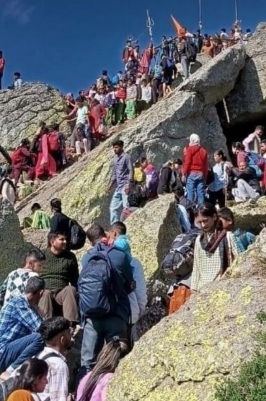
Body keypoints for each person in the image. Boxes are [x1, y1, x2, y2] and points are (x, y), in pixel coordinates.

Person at [79, 223, 133, 375]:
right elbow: (129, 285)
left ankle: (84, 390)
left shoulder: (87, 258)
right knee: (117, 358)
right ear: (106, 235)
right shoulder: (120, 255)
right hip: (116, 313)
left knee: (88, 362)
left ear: (90, 242)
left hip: (91, 316)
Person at [0, 277, 45, 378]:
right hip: (3, 350)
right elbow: (41, 327)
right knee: (39, 337)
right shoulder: (19, 304)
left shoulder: (27, 305)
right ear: (41, 293)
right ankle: (11, 370)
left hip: (8, 349)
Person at [191, 203, 240, 292]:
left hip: (222, 287)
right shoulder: (199, 240)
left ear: (214, 217)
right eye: (199, 222)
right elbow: (196, 266)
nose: (203, 225)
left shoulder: (228, 237)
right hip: (202, 289)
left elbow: (239, 261)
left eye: (205, 221)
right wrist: (194, 289)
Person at [39, 232, 79, 324]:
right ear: (52, 242)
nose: (65, 242)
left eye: (65, 239)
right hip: (44, 292)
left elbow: (75, 279)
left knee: (70, 289)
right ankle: (46, 326)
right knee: (46, 293)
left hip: (60, 294)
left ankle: (70, 324)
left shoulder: (70, 257)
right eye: (61, 239)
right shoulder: (42, 255)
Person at [37, 317, 72, 401]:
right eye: (69, 333)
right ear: (62, 339)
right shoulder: (59, 365)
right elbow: (58, 399)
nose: (71, 337)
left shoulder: (39, 356)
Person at [108, 140, 134, 224]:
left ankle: (128, 224)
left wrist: (129, 185)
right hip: (118, 187)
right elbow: (114, 174)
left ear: (121, 147)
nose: (115, 149)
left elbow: (131, 170)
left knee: (126, 207)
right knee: (113, 208)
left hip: (125, 185)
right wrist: (110, 186)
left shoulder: (126, 157)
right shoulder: (115, 159)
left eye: (116, 147)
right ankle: (115, 226)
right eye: (114, 148)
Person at [183, 134, 208, 205]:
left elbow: (187, 162)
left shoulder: (189, 149)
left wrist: (184, 173)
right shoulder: (203, 151)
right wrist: (205, 177)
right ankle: (201, 211)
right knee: (201, 193)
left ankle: (189, 210)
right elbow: (206, 165)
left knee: (190, 192)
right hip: (200, 174)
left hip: (191, 173)